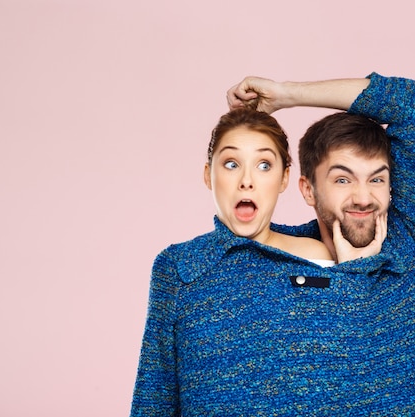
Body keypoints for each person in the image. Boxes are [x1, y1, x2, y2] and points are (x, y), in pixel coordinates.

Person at [130, 108, 387, 417]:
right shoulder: (180, 266)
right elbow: (154, 395)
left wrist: (352, 278)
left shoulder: (316, 257)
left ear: (284, 179)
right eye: (231, 164)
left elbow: (353, 380)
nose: (247, 181)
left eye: (264, 165)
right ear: (207, 175)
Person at [227, 72, 415, 415]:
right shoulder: (276, 260)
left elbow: (409, 102)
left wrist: (288, 94)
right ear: (307, 189)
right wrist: (349, 279)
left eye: (376, 178)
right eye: (343, 179)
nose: (363, 197)